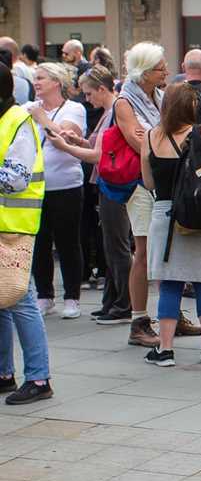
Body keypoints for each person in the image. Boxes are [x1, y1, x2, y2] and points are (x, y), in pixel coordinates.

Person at [140, 83, 201, 367]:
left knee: (170, 284)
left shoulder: (151, 137)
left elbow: (149, 182)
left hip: (165, 215)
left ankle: (165, 350)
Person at [116, 43, 179, 348]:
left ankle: (172, 314)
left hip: (161, 180)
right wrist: (163, 136)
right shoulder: (125, 101)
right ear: (143, 72)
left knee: (166, 249)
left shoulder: (159, 96)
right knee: (143, 251)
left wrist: (156, 136)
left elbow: (155, 135)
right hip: (141, 185)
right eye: (159, 68)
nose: (165, 71)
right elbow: (136, 139)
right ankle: (139, 321)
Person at [58, 67, 132, 324]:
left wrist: (66, 146)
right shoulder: (108, 113)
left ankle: (124, 303)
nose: (87, 99)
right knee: (111, 245)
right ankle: (113, 301)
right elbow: (97, 147)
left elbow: (99, 154)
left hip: (114, 184)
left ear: (102, 89)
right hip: (107, 183)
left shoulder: (115, 111)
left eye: (89, 93)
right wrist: (77, 141)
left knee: (116, 245)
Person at [0, 63, 54, 405]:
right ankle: (5, 372)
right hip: (5, 223)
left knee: (20, 300)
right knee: (2, 302)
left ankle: (39, 377)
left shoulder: (17, 120)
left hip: (16, 226)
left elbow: (17, 178)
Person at [25, 62, 86, 319]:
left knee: (67, 241)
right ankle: (44, 295)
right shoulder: (25, 109)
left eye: (41, 78)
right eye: (35, 78)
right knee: (39, 243)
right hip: (35, 187)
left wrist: (42, 119)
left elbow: (66, 137)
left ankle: (71, 296)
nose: (36, 82)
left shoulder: (74, 108)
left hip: (66, 185)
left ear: (56, 82)